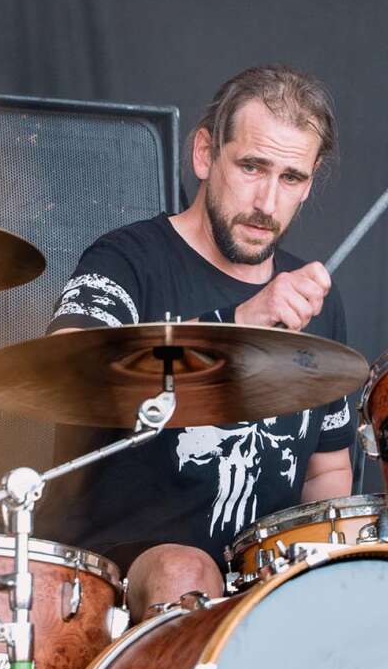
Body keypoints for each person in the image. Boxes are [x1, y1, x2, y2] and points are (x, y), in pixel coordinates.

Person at [40, 64, 355, 619]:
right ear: (205, 155)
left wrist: (333, 575)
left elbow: (325, 471)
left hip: (257, 582)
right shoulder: (127, 260)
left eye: (291, 178)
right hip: (117, 575)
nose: (267, 201)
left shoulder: (310, 298)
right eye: (252, 166)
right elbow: (66, 375)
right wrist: (232, 326)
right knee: (186, 570)